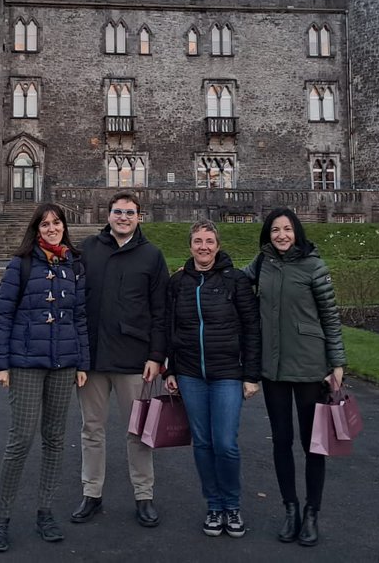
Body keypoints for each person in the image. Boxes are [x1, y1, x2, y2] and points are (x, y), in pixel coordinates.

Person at [0, 202, 90, 553]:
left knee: (55, 440)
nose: (51, 228)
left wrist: (82, 363)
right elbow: (2, 315)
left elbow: (80, 318)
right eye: (45, 224)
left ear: (64, 226)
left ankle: (45, 511)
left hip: (63, 365)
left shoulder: (73, 264)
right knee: (20, 442)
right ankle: (1, 519)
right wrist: (0, 363)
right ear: (36, 228)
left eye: (57, 223)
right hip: (26, 364)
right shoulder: (22, 263)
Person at [247, 208, 347, 548]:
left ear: (297, 232)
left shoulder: (313, 266)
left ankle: (312, 512)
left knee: (312, 443)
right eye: (275, 230)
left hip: (308, 365)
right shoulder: (262, 264)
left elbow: (330, 317)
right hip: (273, 367)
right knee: (280, 440)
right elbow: (231, 279)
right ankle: (290, 509)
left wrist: (337, 363)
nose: (281, 236)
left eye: (287, 229)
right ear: (268, 235)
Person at [72, 190, 170, 528]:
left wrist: (157, 355)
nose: (123, 217)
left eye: (130, 212)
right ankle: (92, 494)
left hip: (134, 359)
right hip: (93, 359)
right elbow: (73, 302)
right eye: (118, 211)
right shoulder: (87, 250)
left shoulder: (152, 256)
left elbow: (161, 312)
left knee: (139, 432)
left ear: (139, 216)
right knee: (91, 430)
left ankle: (144, 496)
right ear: (108, 214)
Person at [165, 221, 261, 539]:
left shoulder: (235, 281)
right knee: (203, 444)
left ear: (217, 245)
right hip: (191, 374)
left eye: (209, 241)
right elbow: (170, 329)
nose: (203, 246)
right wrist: (171, 371)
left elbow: (251, 329)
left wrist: (250, 375)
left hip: (227, 375)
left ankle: (232, 505)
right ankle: (214, 506)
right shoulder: (178, 282)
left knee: (225, 444)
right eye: (197, 241)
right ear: (190, 245)